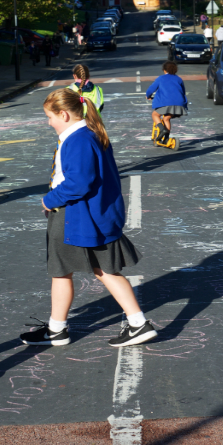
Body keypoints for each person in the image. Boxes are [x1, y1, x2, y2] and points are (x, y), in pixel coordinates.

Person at [21, 89, 157, 348]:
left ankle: (57, 330)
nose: (49, 123)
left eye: (50, 117)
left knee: (61, 272)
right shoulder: (90, 134)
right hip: (93, 214)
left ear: (63, 114)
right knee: (105, 269)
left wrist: (49, 200)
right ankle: (138, 322)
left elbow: (79, 182)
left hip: (74, 214)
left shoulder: (77, 140)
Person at [145, 61, 188, 145]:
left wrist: (148, 95)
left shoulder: (161, 78)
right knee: (166, 118)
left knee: (155, 115)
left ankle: (162, 129)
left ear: (164, 70)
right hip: (179, 104)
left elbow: (151, 89)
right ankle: (166, 139)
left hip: (165, 103)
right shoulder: (179, 79)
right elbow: (183, 92)